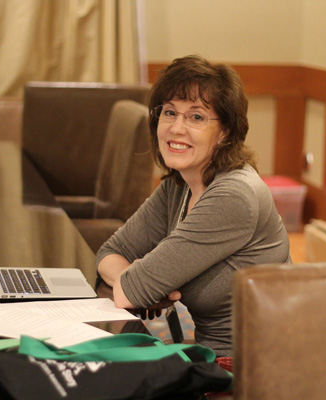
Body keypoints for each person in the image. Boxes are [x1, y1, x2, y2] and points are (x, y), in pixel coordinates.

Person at [96, 54, 291, 356]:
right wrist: (141, 281)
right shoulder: (180, 184)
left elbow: (130, 291)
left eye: (196, 117)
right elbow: (109, 253)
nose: (177, 128)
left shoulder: (233, 196)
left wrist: (143, 284)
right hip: (209, 355)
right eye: (170, 113)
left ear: (225, 131)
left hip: (253, 369)